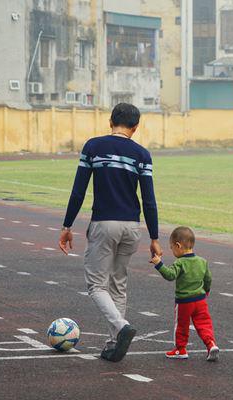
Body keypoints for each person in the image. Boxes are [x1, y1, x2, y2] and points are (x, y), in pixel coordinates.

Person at [59, 103, 162, 362]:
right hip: (131, 226)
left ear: (110, 122)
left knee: (96, 286)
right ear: (135, 128)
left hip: (104, 224)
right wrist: (154, 238)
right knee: (118, 284)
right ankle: (113, 344)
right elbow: (149, 200)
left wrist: (67, 225)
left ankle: (121, 327)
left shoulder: (93, 147)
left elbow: (78, 191)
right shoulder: (142, 154)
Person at [150, 226, 219, 361]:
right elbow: (208, 278)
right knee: (204, 324)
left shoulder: (180, 262)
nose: (172, 251)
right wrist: (206, 291)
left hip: (184, 302)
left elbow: (170, 275)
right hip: (200, 300)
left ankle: (180, 349)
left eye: (172, 248)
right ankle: (211, 344)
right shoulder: (202, 261)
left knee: (181, 325)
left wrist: (159, 264)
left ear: (178, 245)